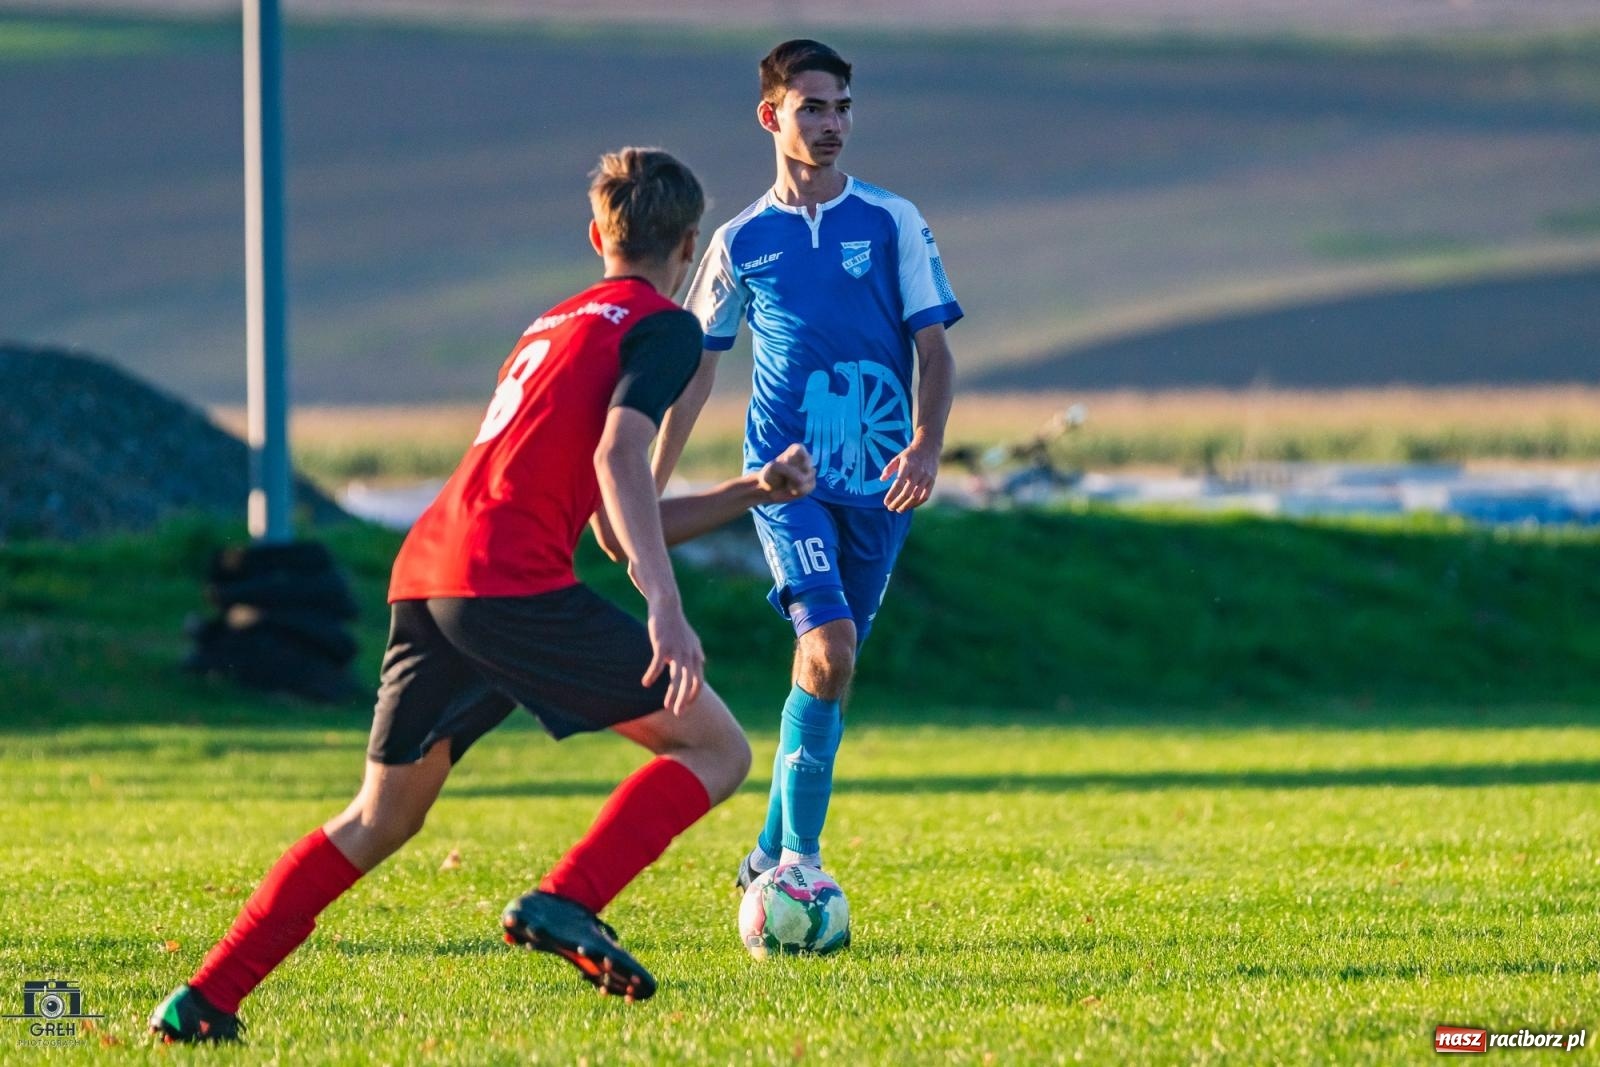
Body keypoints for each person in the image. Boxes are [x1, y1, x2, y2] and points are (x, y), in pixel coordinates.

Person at [149, 146, 817, 1042]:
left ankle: (206, 996)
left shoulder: (556, 321)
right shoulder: (663, 327)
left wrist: (747, 493)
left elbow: (617, 526)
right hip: (508, 582)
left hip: (430, 575)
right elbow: (620, 459)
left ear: (597, 234)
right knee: (717, 751)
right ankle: (566, 897)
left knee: (380, 816)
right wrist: (667, 607)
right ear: (692, 244)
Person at [652, 40, 963, 891]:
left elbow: (934, 353)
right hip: (787, 484)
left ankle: (762, 850)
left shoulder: (892, 219)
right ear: (772, 116)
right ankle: (799, 867)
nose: (832, 125)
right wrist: (646, 489)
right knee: (824, 648)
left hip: (882, 482)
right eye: (813, 108)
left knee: (832, 664)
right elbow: (697, 369)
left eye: (842, 108)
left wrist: (926, 442)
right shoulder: (742, 240)